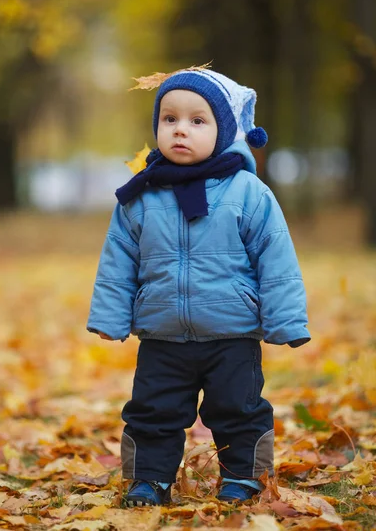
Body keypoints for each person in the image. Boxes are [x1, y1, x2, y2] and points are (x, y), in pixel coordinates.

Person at [87, 65, 311, 507]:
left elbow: (276, 258)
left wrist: (285, 319)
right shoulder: (140, 196)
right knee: (153, 412)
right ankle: (148, 481)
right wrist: (110, 317)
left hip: (232, 333)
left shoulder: (248, 192)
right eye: (169, 119)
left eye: (197, 120)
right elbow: (117, 262)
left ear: (223, 131)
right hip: (163, 334)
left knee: (239, 410)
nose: (180, 131)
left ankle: (243, 477)